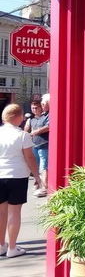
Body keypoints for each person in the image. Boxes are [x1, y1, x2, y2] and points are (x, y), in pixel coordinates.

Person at [0, 103, 43, 258]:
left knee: (1, 212)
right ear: (18, 117)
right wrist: (37, 175)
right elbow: (29, 157)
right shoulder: (22, 135)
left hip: (0, 175)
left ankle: (0, 245)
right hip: (17, 176)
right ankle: (12, 247)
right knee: (14, 212)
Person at [24, 98, 49, 197]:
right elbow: (26, 131)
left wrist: (35, 132)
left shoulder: (45, 117)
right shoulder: (31, 119)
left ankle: (44, 188)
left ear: (41, 108)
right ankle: (37, 184)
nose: (34, 110)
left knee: (43, 167)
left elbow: (48, 127)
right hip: (34, 145)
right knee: (36, 166)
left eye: (36, 108)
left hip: (44, 145)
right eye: (32, 108)